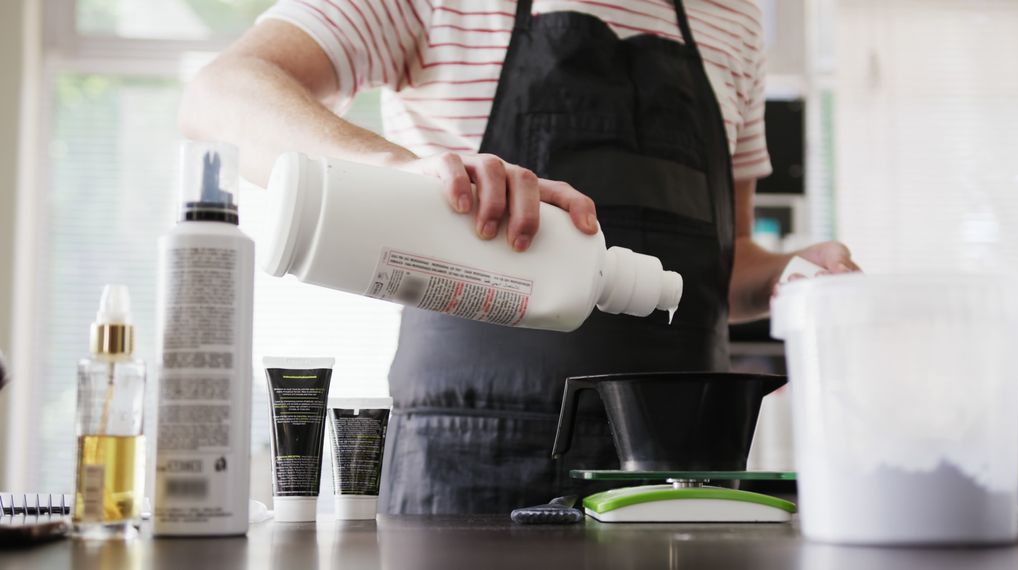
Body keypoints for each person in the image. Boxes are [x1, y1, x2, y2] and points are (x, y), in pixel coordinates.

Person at [180, 0, 858, 514]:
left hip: (680, 468)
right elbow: (218, 97)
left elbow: (725, 260)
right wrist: (403, 173)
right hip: (463, 460)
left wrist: (796, 277)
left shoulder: (733, 18)